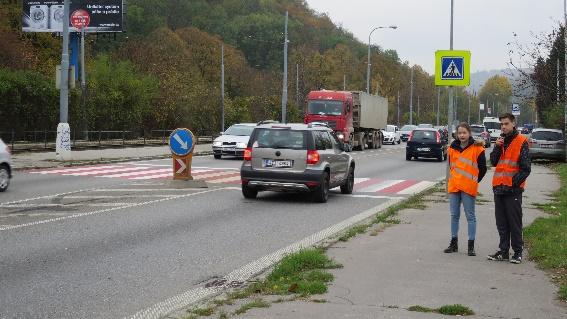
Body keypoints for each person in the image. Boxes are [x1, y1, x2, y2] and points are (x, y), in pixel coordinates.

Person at [487, 113, 531, 264]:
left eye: (506, 123)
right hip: (499, 188)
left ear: (513, 123)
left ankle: (518, 252)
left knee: (514, 222)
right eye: (501, 124)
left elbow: (526, 169)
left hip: (513, 190)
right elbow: (493, 161)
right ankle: (503, 251)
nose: (503, 127)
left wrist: (513, 183)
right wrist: (497, 147)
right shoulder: (500, 141)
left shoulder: (521, 141)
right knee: (501, 223)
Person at [444, 123, 487, 256]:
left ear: (469, 133)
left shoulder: (477, 148)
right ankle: (454, 243)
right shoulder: (452, 148)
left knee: (470, 216)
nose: (462, 135)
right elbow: (451, 166)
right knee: (454, 215)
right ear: (456, 134)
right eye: (460, 133)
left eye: (464, 133)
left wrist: (474, 181)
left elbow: (483, 168)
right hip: (454, 186)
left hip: (468, 187)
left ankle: (471, 245)